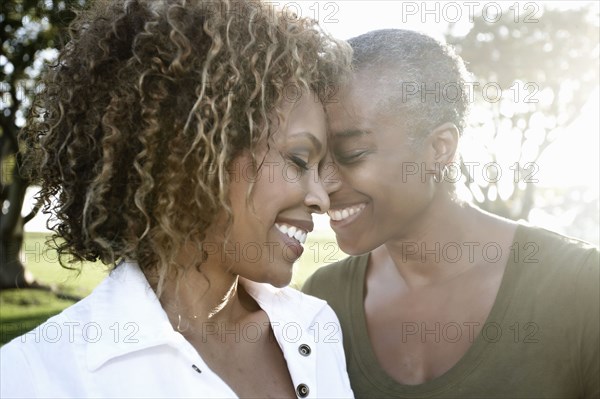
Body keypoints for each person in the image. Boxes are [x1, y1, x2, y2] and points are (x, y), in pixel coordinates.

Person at [0, 0, 354, 398]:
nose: (321, 198)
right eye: (299, 158)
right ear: (196, 152)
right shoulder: (36, 376)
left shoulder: (316, 327)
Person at [303, 29, 599, 398]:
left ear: (439, 149)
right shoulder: (322, 301)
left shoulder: (581, 287)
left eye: (352, 152)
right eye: (313, 159)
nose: (321, 186)